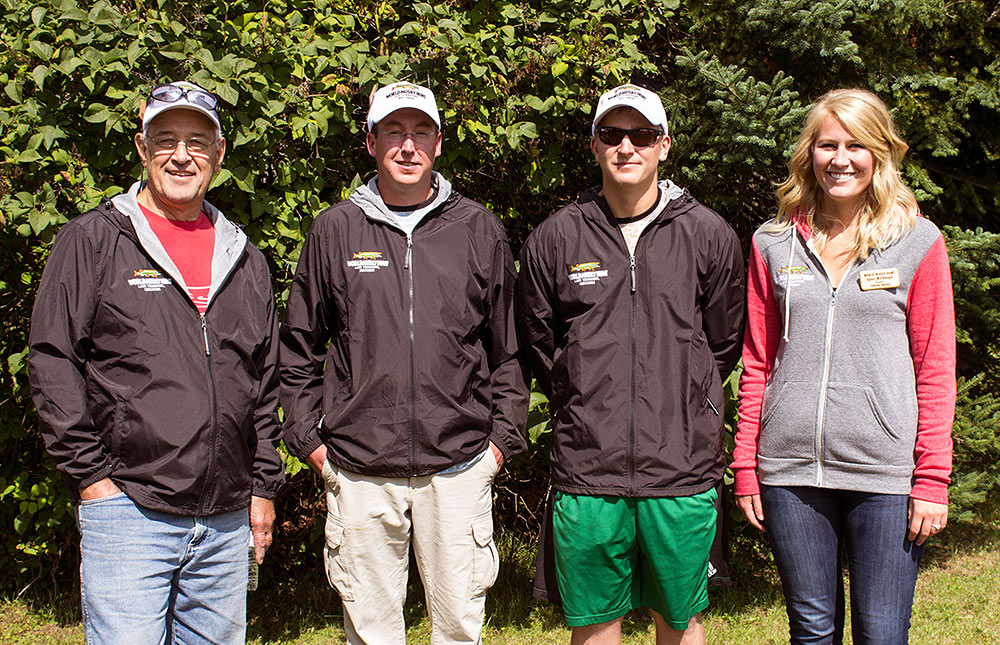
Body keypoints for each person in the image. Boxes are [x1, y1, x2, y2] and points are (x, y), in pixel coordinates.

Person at [28, 80, 284, 644]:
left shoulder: (245, 259)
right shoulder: (94, 240)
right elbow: (52, 360)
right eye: (165, 140)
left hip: (225, 519)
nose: (181, 155)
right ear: (142, 149)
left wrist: (263, 486)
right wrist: (92, 479)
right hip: (128, 511)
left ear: (219, 153)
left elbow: (266, 386)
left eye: (197, 141)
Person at [280, 81, 528, 644]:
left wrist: (500, 443)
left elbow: (508, 348)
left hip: (459, 465)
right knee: (370, 633)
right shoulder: (335, 229)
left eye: (420, 132)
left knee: (459, 629)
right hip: (360, 468)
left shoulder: (477, 228)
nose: (408, 145)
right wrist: (309, 441)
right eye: (394, 131)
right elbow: (298, 346)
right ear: (371, 142)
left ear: (438, 143)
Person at [518, 84, 745, 645]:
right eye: (612, 134)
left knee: (680, 621)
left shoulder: (707, 233)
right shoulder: (556, 237)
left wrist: (686, 397)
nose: (626, 147)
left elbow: (722, 343)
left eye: (641, 134)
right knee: (594, 624)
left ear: (664, 145)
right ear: (594, 145)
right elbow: (542, 347)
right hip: (588, 470)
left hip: (682, 468)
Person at [733, 88, 956, 644]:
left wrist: (932, 478)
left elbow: (935, 367)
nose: (840, 159)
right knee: (811, 631)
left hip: (885, 473)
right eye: (827, 144)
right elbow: (757, 360)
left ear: (879, 153)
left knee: (881, 634)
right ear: (809, 153)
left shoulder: (917, 242)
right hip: (790, 471)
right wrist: (746, 465)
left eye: (855, 145)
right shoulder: (772, 244)